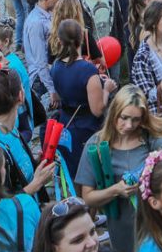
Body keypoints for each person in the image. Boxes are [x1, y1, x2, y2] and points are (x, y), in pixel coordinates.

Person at [77, 85, 162, 252]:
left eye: (136, 120)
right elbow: (88, 198)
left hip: (157, 225)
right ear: (114, 112)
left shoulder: (150, 140)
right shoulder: (96, 145)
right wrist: (116, 190)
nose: (129, 125)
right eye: (124, 118)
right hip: (123, 232)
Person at [50, 19, 117, 175]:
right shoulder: (87, 70)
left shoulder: (55, 66)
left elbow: (62, 94)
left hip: (67, 122)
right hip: (87, 128)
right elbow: (98, 110)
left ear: (59, 40)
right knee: (91, 170)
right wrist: (106, 89)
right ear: (82, 39)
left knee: (73, 169)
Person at [0, 69, 55, 198]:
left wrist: (36, 163)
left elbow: (18, 169)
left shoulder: (9, 128)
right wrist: (36, 185)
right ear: (21, 96)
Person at [23, 0, 60, 108]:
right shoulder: (36, 23)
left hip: (48, 75)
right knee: (48, 121)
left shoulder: (48, 14)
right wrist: (51, 89)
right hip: (42, 80)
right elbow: (40, 59)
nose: (59, 1)